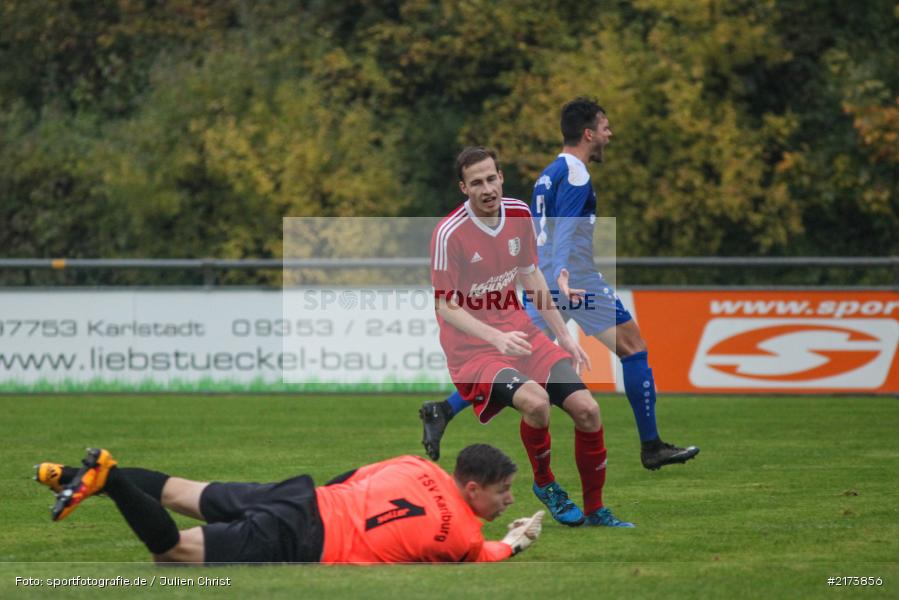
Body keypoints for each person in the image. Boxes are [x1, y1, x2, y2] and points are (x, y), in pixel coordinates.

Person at [421, 99, 699, 471]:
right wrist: (565, 273)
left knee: (512, 358)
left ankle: (443, 409)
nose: (608, 134)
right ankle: (651, 445)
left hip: (542, 275)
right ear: (588, 133)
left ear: (500, 178)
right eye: (605, 127)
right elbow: (565, 225)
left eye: (492, 178)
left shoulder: (549, 173)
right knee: (634, 349)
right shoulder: (577, 173)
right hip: (574, 281)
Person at [429, 146, 632, 528]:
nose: (487, 188)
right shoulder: (448, 234)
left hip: (521, 332)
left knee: (588, 410)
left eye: (491, 178)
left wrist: (564, 336)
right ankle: (546, 483)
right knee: (536, 403)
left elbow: (531, 275)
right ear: (463, 188)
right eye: (476, 182)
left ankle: (596, 510)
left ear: (501, 177)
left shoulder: (519, 213)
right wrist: (495, 338)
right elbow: (445, 306)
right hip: (473, 351)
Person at [34, 444, 544, 564]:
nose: (508, 500)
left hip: (302, 496)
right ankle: (109, 476)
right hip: (306, 536)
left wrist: (309, 502)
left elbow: (350, 477)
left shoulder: (416, 464)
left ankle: (74, 476)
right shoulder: (465, 537)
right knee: (173, 552)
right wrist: (516, 541)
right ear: (472, 488)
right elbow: (489, 555)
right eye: (504, 491)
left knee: (179, 491)